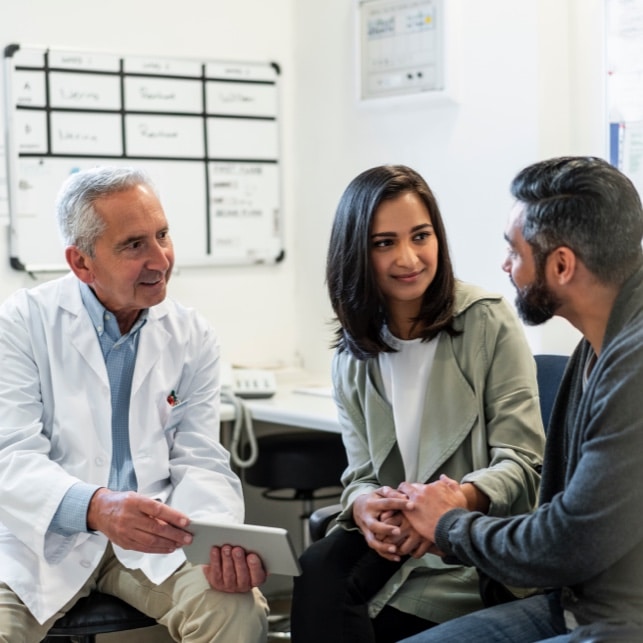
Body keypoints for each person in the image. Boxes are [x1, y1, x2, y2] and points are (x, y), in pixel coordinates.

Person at [0, 167, 269, 642]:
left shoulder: (192, 334)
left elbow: (200, 457)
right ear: (82, 263)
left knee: (235, 609)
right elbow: (10, 456)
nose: (160, 259)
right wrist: (96, 508)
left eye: (162, 235)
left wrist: (219, 541)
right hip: (39, 538)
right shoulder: (21, 324)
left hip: (155, 540)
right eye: (134, 245)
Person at [290, 164, 546, 643]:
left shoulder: (488, 322)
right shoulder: (352, 354)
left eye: (420, 236)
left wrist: (450, 503)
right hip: (396, 541)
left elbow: (524, 462)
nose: (408, 258)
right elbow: (361, 474)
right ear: (357, 253)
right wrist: (364, 503)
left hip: (469, 540)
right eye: (384, 243)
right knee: (319, 567)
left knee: (379, 621)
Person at [396, 156, 643, 643]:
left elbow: (570, 541)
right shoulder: (597, 345)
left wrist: (449, 525)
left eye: (514, 251)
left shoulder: (634, 366)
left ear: (562, 265)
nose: (504, 265)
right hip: (574, 603)